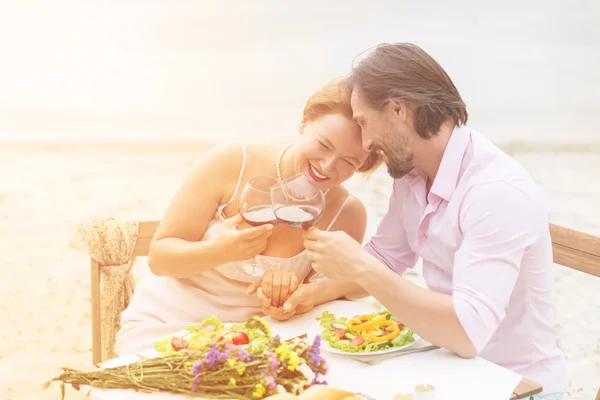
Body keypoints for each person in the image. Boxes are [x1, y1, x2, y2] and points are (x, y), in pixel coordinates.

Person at [303, 43, 565, 398]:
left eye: (364, 123)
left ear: (398, 110)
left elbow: (468, 333)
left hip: (512, 386)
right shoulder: (412, 174)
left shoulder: (494, 191)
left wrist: (359, 267)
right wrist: (309, 294)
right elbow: (386, 259)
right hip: (447, 365)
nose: (365, 143)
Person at [114, 78, 381, 356]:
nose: (328, 167)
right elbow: (160, 259)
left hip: (261, 339)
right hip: (170, 325)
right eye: (324, 145)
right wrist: (220, 250)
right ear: (304, 123)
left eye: (349, 162)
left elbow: (327, 293)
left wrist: (286, 297)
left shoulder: (347, 213)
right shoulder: (232, 161)